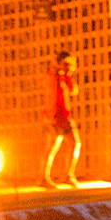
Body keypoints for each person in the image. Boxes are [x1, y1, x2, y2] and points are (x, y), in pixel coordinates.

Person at [42, 51, 81, 188]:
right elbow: (50, 97)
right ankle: (44, 177)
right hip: (55, 116)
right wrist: (50, 117)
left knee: (74, 143)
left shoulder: (64, 77)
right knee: (52, 147)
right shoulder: (53, 76)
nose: (68, 66)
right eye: (66, 63)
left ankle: (68, 175)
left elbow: (74, 91)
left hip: (64, 116)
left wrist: (69, 77)